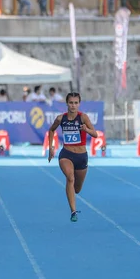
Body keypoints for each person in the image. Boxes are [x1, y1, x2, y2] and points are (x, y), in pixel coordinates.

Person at [47, 92, 98, 222]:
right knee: (70, 178)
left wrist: (86, 130)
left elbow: (95, 134)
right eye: (71, 103)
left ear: (79, 104)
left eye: (76, 103)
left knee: (77, 189)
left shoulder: (83, 118)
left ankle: (73, 197)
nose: (73, 106)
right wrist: (51, 147)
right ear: (67, 104)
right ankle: (73, 211)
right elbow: (51, 130)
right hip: (66, 154)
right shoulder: (60, 118)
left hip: (81, 156)